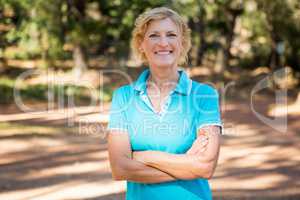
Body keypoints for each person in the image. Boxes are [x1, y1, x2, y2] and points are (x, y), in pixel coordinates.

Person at [107, 7, 222, 200]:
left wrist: (145, 156)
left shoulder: (204, 95)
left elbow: (205, 167)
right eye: (153, 35)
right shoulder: (123, 97)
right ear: (141, 44)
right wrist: (186, 164)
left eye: (171, 35)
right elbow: (119, 168)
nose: (163, 43)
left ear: (182, 43)